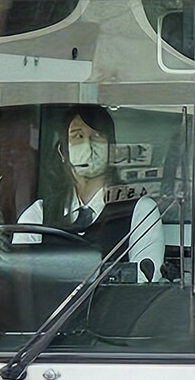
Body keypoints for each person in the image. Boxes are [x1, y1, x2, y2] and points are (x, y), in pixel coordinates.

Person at [14, 105, 165, 281]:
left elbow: (145, 278)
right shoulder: (38, 214)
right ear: (63, 151)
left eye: (97, 137)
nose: (88, 146)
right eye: (78, 136)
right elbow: (19, 278)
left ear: (112, 150)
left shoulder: (141, 211)